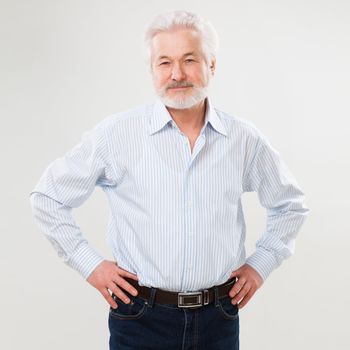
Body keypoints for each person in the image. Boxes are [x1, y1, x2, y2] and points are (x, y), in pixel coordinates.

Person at [29, 10, 309, 350]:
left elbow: (290, 206)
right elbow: (48, 197)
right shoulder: (117, 135)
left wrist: (259, 265)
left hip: (217, 318)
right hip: (139, 317)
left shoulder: (243, 140)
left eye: (190, 59)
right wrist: (92, 266)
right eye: (164, 63)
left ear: (212, 65)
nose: (177, 74)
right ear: (152, 70)